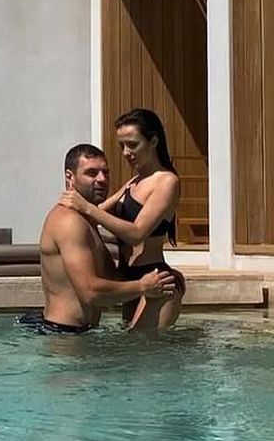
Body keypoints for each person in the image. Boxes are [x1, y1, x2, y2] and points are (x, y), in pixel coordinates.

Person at [24, 143, 176, 334]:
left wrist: (161, 273)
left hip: (81, 332)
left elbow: (111, 279)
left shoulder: (86, 219)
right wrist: (143, 286)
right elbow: (90, 292)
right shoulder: (69, 222)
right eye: (91, 173)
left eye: (106, 172)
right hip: (64, 335)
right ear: (70, 177)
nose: (102, 179)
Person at [56, 108, 184, 332]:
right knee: (130, 349)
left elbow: (137, 233)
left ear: (154, 142)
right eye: (122, 146)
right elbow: (94, 215)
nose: (126, 152)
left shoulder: (166, 182)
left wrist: (86, 207)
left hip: (157, 280)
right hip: (131, 278)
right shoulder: (134, 182)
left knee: (141, 348)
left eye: (132, 145)